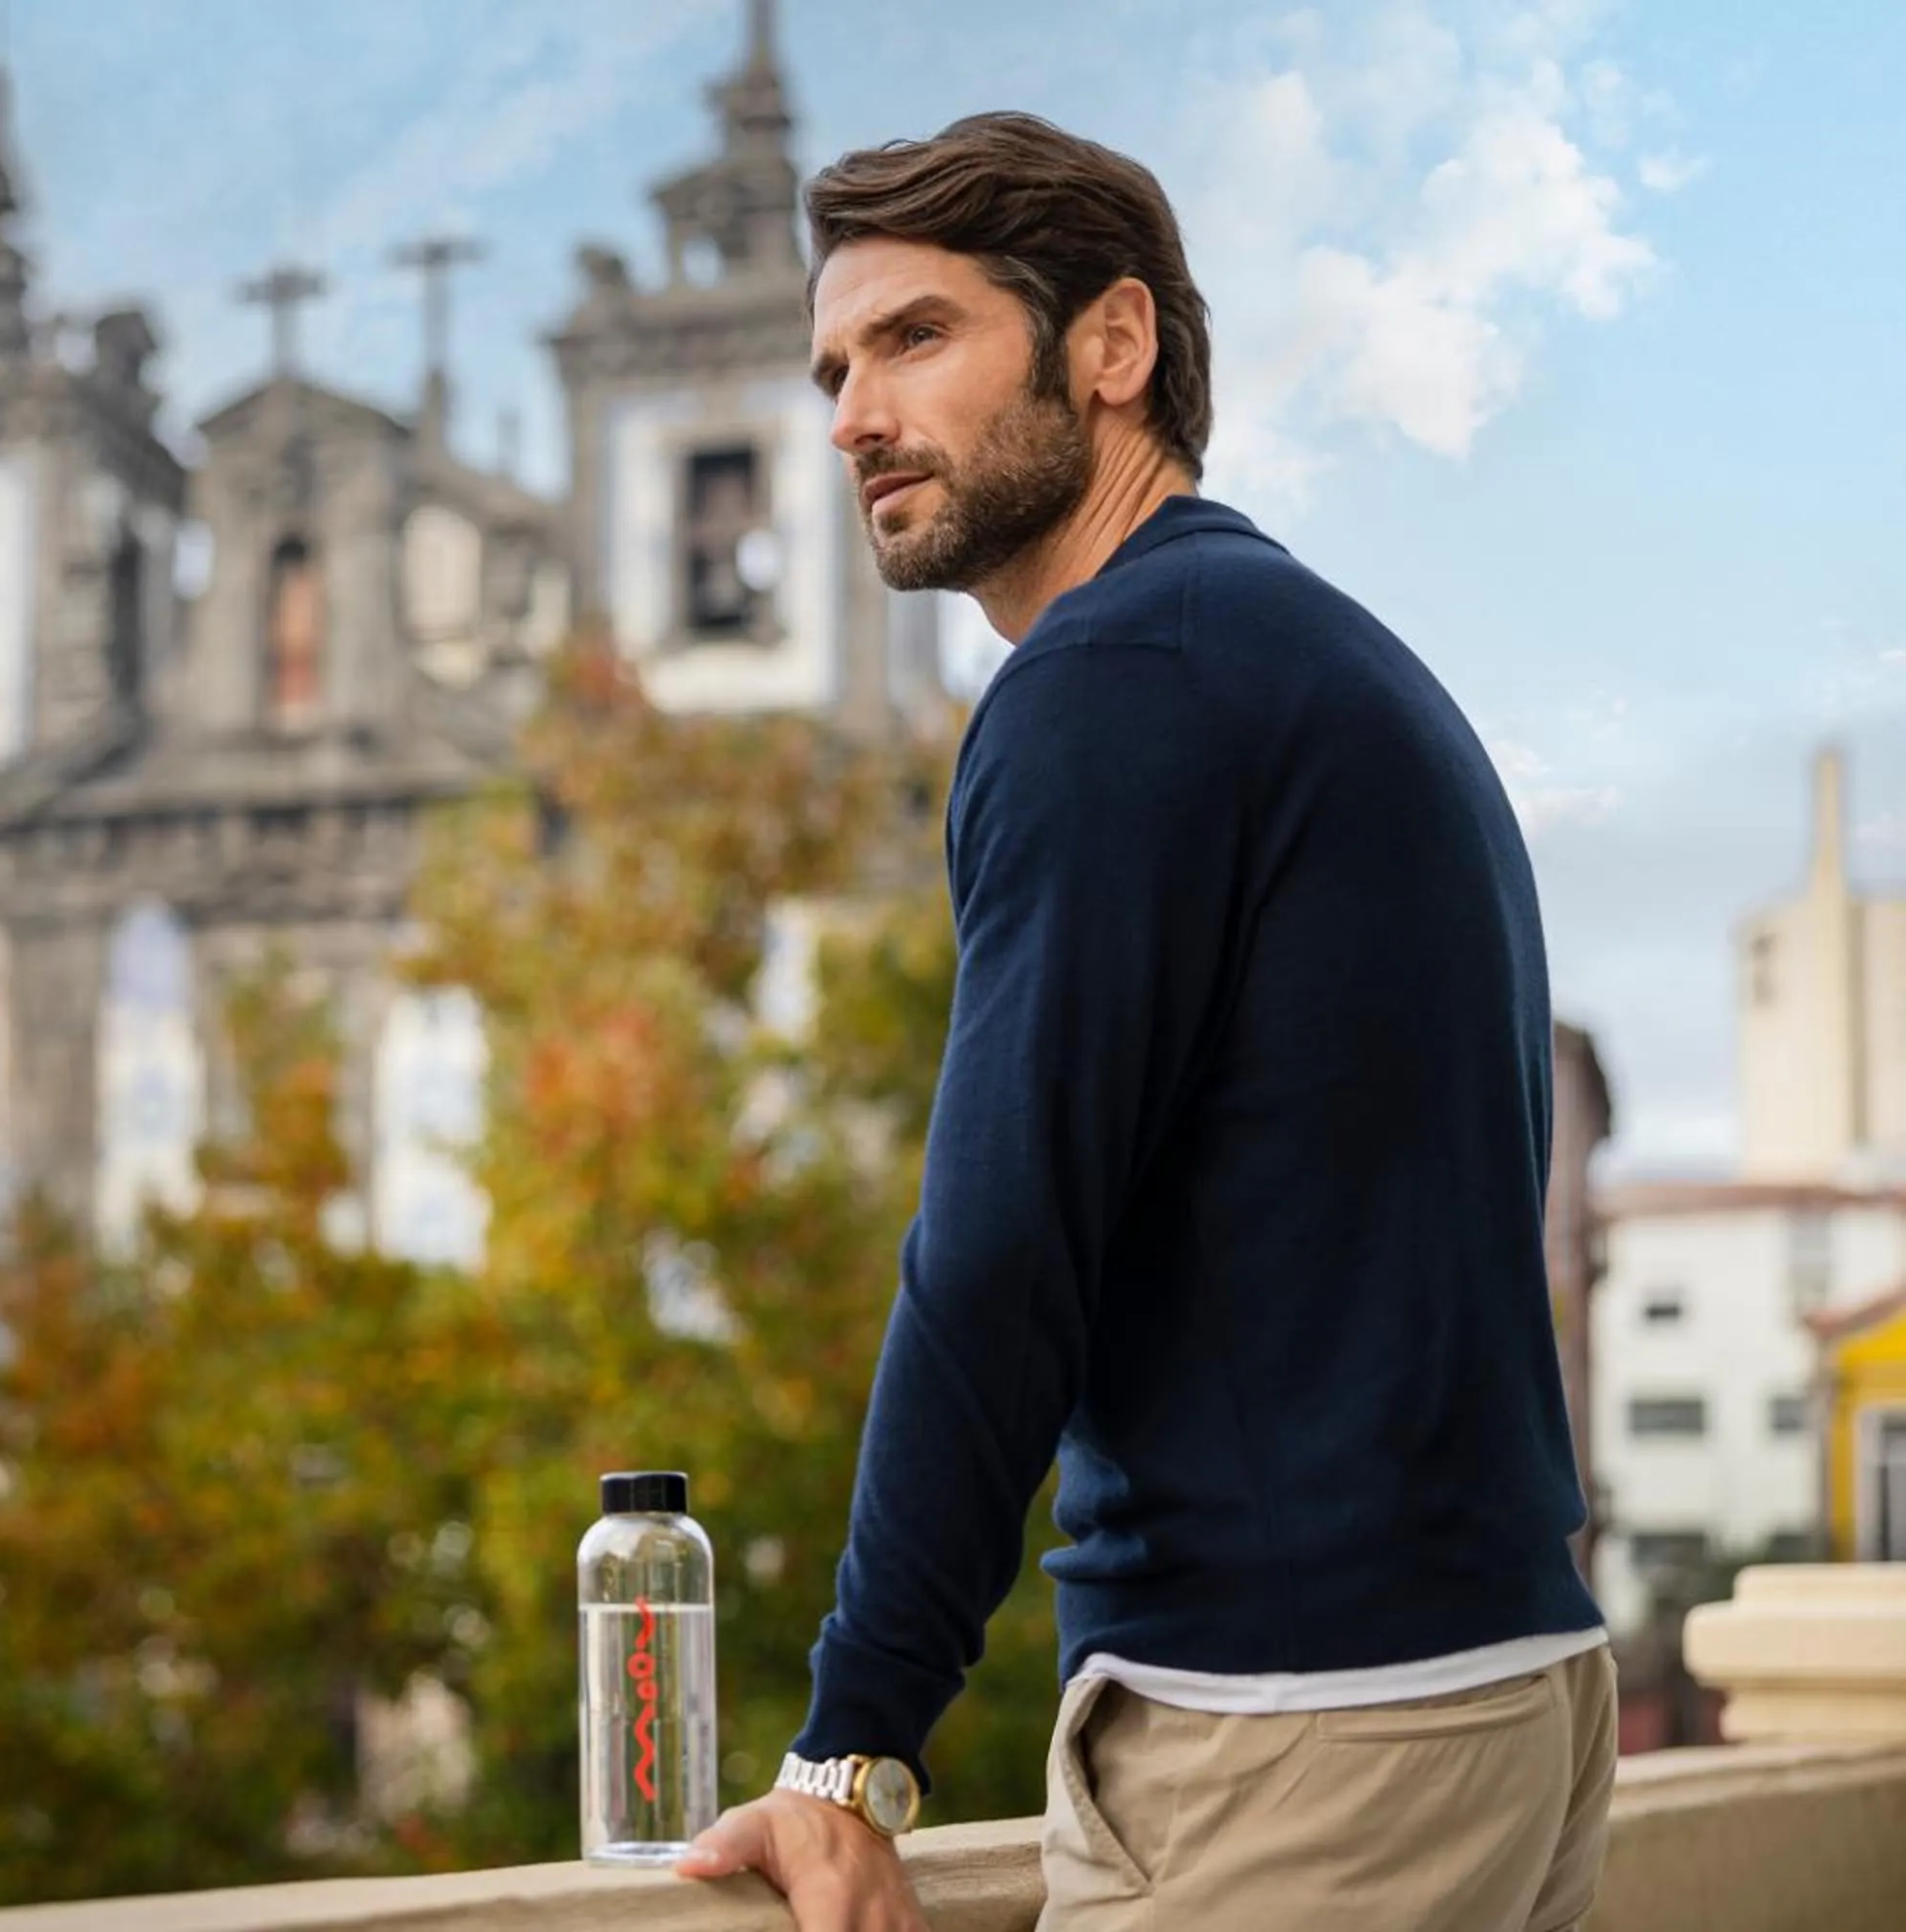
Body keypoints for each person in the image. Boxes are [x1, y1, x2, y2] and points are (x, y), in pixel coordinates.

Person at [675, 113, 1614, 1930]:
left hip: (1306, 1731)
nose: (855, 416)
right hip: (1486, 1685)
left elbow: (1002, 1251)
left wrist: (851, 1747)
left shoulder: (1116, 687)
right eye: (833, 372)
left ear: (1111, 345)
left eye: (917, 338)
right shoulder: (1299, 650)